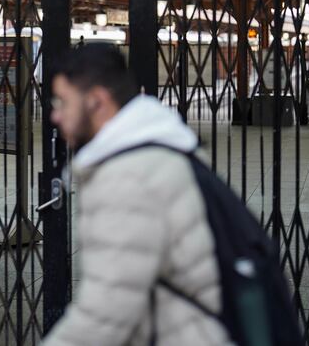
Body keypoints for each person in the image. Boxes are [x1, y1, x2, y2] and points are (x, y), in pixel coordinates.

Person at [42, 43, 230, 346]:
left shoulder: (126, 178)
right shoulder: (166, 144)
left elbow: (103, 317)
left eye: (62, 102)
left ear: (96, 101)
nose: (55, 116)